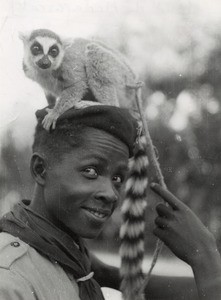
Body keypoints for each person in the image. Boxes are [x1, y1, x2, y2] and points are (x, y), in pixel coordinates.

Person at [0, 104, 220, 300]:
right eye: (90, 171)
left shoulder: (73, 262)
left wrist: (205, 257)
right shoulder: (11, 279)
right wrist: (206, 258)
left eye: (117, 179)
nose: (111, 194)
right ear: (40, 169)